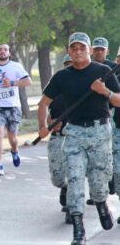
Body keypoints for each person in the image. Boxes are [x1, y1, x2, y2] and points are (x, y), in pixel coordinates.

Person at [37, 32, 120, 245]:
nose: (78, 52)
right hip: (73, 133)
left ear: (90, 50)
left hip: (100, 133)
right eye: (73, 48)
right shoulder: (62, 76)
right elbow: (43, 103)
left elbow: (119, 100)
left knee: (99, 184)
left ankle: (102, 203)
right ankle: (78, 231)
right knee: (74, 180)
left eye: (82, 48)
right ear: (68, 51)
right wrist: (42, 126)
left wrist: (105, 92)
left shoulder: (103, 72)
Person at [0, 43, 31, 176]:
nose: (3, 51)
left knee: (13, 139)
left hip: (13, 107)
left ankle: (15, 150)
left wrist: (12, 83)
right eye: (0, 49)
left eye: (5, 50)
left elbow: (28, 81)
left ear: (9, 53)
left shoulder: (15, 66)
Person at [84, 37, 117, 206]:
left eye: (101, 49)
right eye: (96, 49)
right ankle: (94, 192)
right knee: (92, 157)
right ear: (91, 50)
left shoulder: (112, 68)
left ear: (107, 51)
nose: (98, 52)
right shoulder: (85, 67)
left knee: (109, 154)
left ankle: (109, 181)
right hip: (92, 117)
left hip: (109, 114)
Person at [46, 54, 72, 224]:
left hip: (76, 136)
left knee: (74, 173)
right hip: (57, 136)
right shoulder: (56, 86)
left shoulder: (83, 87)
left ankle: (72, 207)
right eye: (68, 64)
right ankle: (64, 187)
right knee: (57, 176)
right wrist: (49, 123)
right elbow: (45, 109)